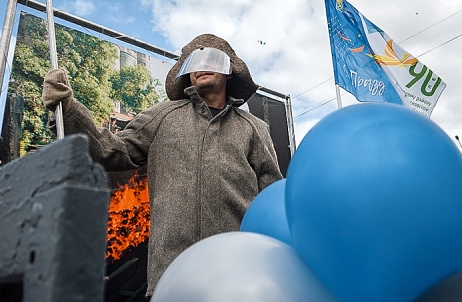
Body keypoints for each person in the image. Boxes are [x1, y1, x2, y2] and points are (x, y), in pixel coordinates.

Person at [42, 34, 283, 298]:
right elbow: (109, 150)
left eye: (211, 58)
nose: (201, 66)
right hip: (172, 271)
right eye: (193, 62)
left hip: (238, 271)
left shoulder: (254, 128)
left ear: (229, 71)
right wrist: (67, 109)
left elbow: (272, 199)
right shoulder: (162, 116)